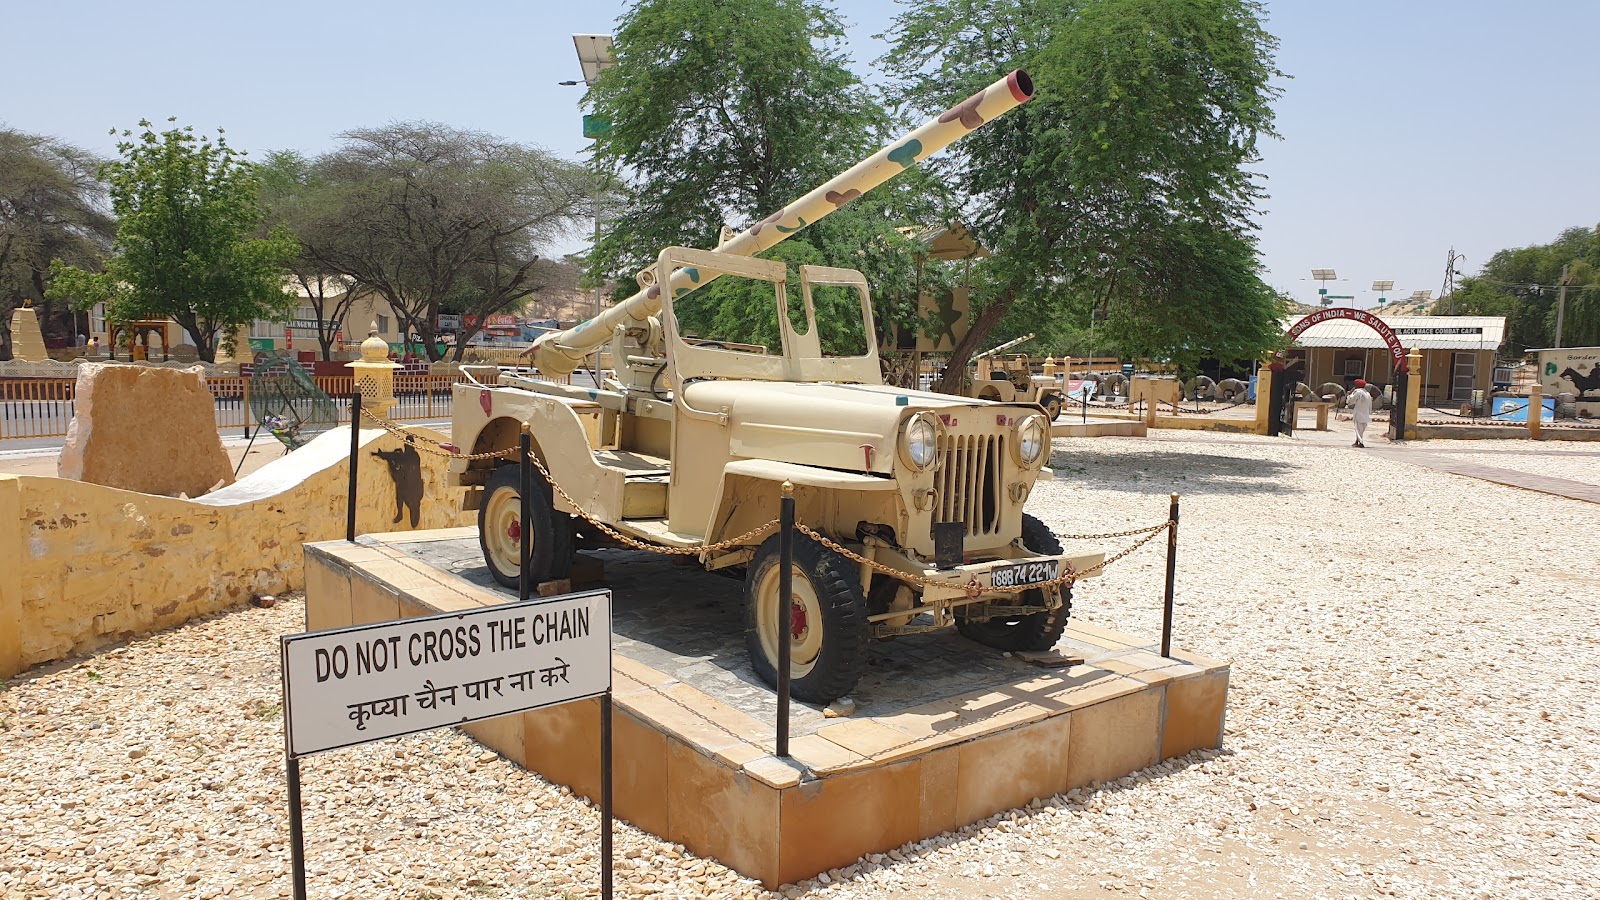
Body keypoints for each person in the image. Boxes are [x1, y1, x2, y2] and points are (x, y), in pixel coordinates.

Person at [1348, 378, 1373, 448]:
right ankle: (1357, 441)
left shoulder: (1357, 392)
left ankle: (1361, 442)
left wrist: (1349, 395)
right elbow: (1370, 405)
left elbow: (1351, 401)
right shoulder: (1368, 394)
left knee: (1357, 429)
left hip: (1358, 413)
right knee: (1360, 430)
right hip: (1365, 414)